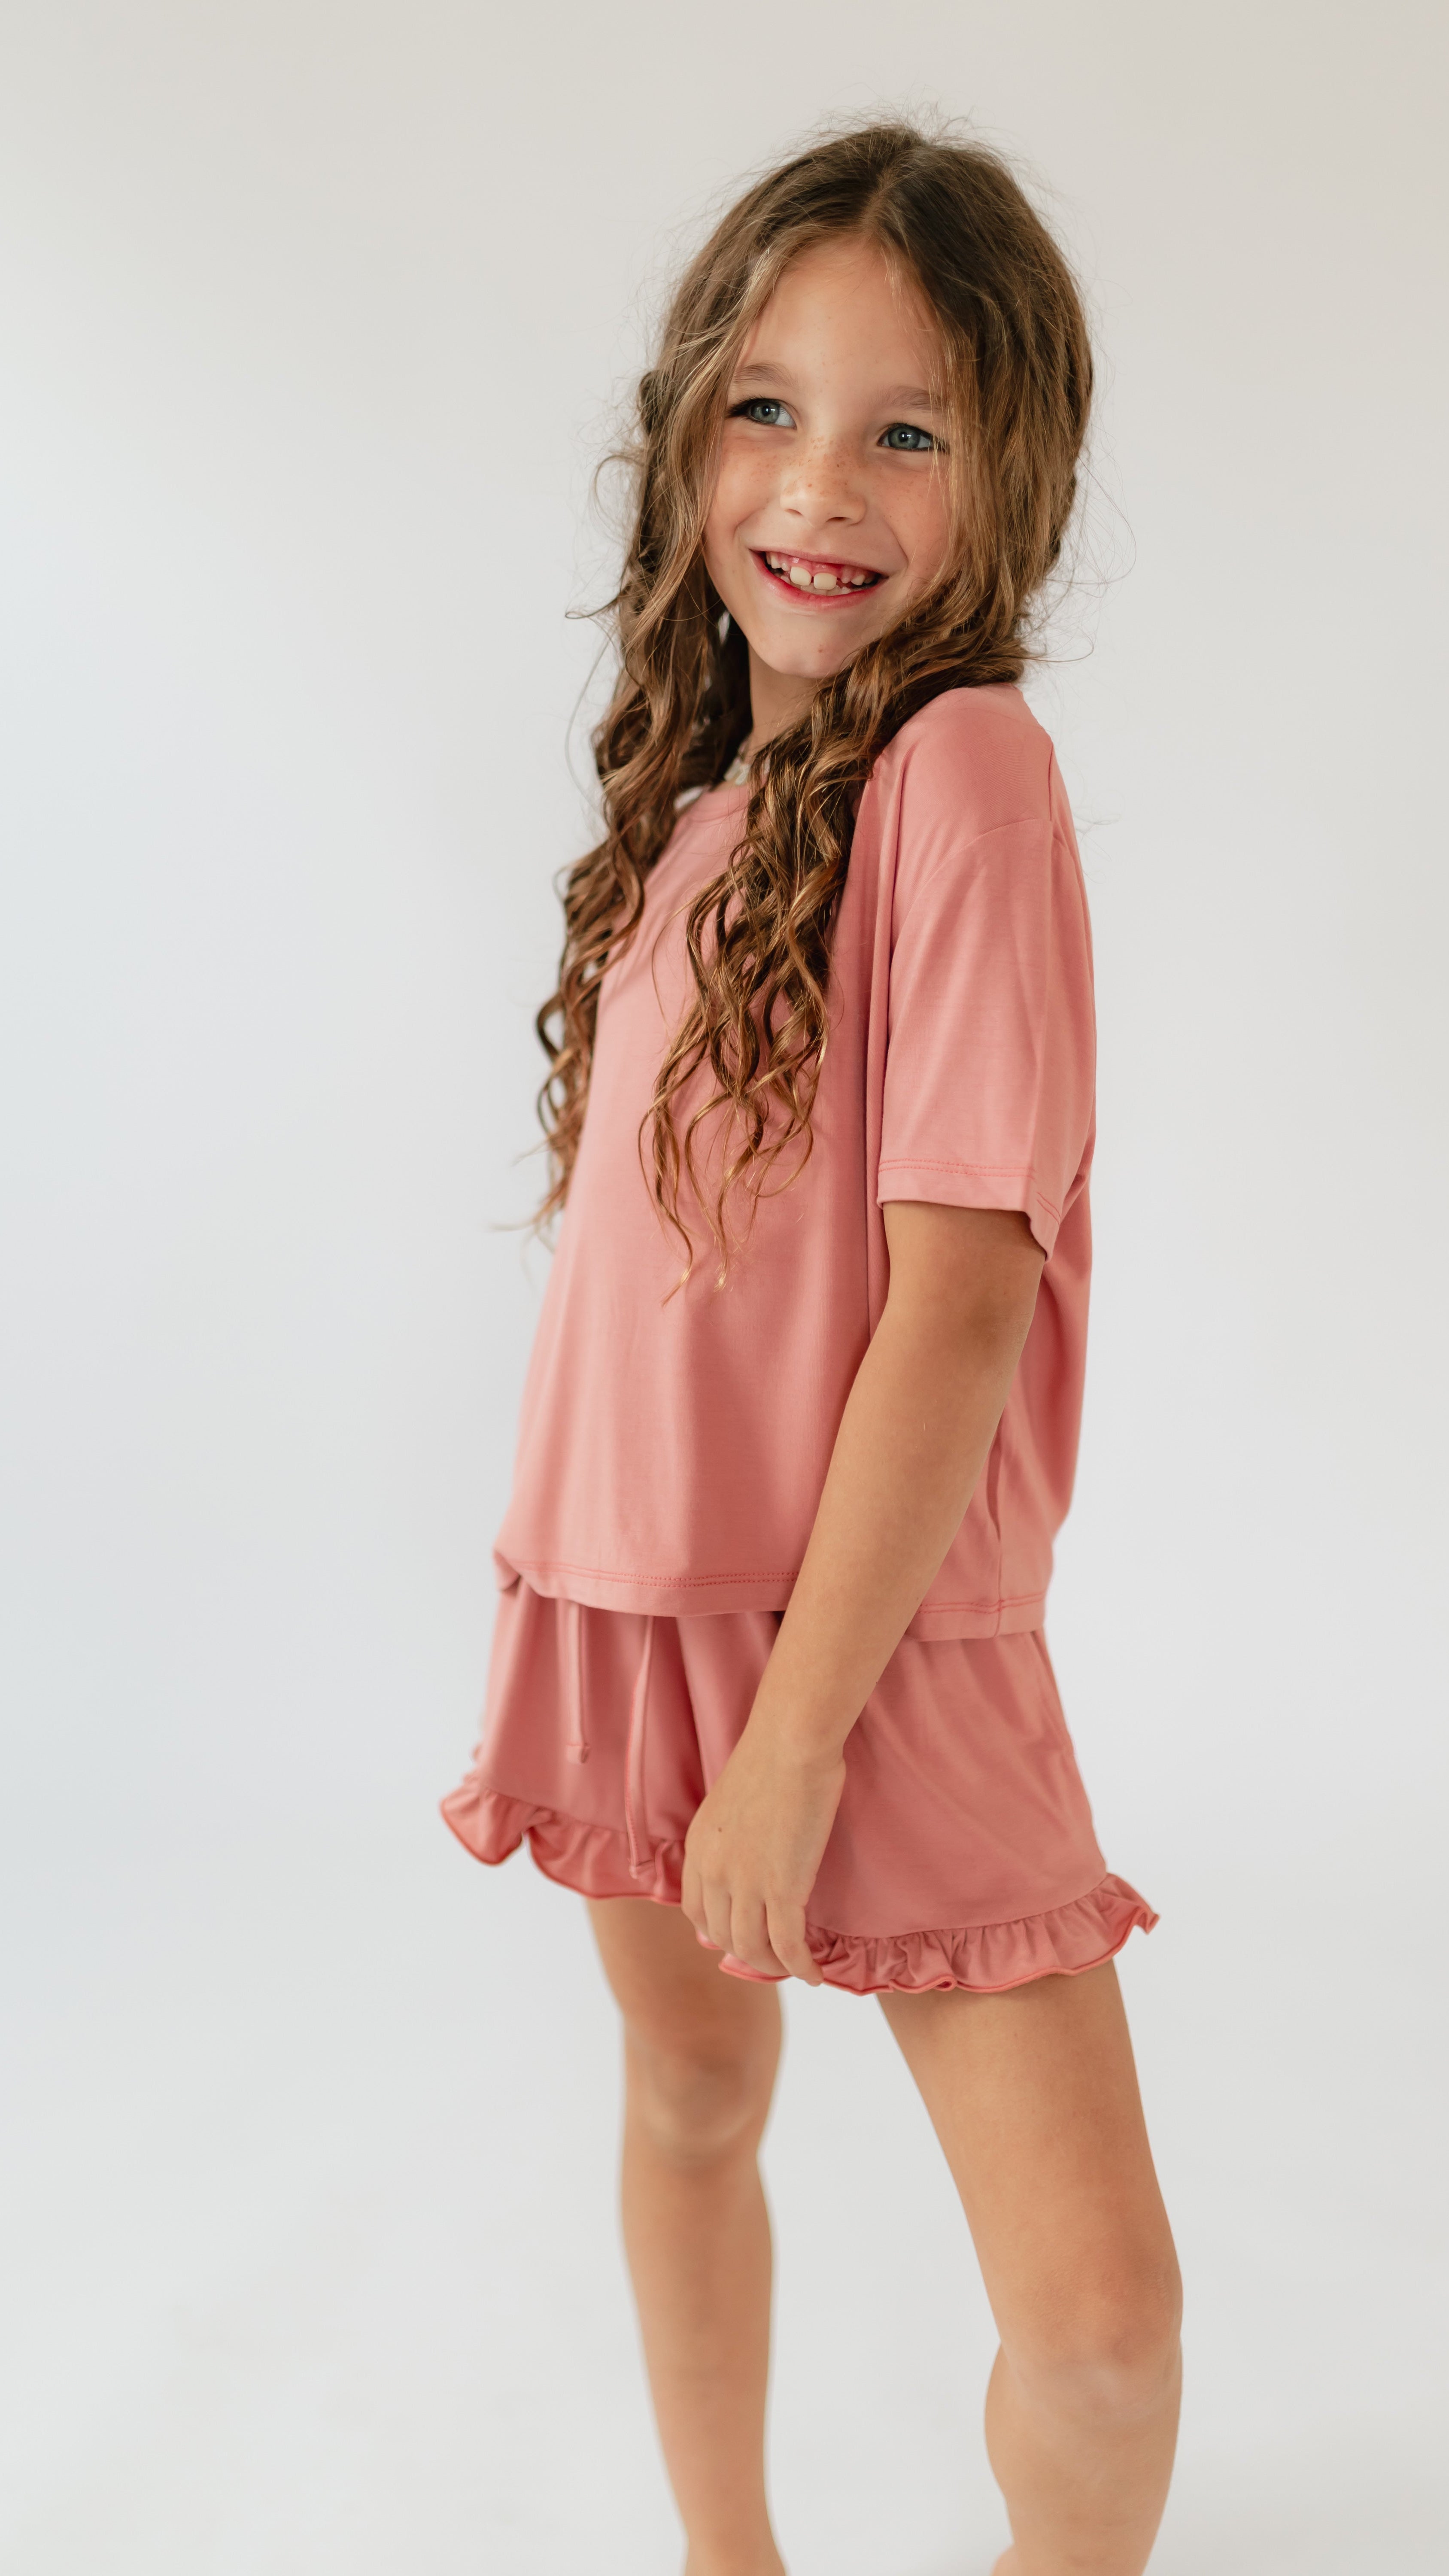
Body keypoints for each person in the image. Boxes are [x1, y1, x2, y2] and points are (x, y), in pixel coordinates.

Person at [444, 119, 1182, 2576]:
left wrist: (790, 1750)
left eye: (906, 430)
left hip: (874, 1643)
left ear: (1012, 475)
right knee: (691, 2097)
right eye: (767, 409)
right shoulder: (702, 809)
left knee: (1098, 2328)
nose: (820, 488)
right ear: (687, 432)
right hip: (630, 1593)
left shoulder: (971, 774)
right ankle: (725, 2558)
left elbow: (962, 1298)